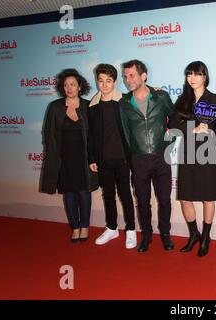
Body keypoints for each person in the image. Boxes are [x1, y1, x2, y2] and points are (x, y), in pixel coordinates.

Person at [119, 59, 177, 253]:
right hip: (139, 160)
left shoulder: (160, 97)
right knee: (143, 202)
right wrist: (133, 157)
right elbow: (126, 133)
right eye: (126, 76)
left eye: (132, 75)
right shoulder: (124, 103)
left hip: (161, 157)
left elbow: (175, 119)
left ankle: (166, 234)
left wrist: (169, 142)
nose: (128, 80)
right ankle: (146, 236)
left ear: (143, 76)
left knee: (165, 200)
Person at [40, 68, 98, 242]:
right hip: (63, 159)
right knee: (70, 194)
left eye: (73, 84)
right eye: (66, 85)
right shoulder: (55, 107)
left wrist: (93, 158)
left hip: (84, 159)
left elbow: (94, 136)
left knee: (84, 193)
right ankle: (75, 227)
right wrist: (52, 158)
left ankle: (85, 226)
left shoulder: (88, 106)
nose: (69, 88)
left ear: (80, 86)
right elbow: (48, 134)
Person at [171, 61, 216, 257]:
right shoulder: (182, 99)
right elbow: (174, 125)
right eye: (189, 74)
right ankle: (194, 234)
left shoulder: (215, 99)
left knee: (208, 197)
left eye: (197, 74)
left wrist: (209, 128)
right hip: (187, 151)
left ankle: (206, 237)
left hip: (206, 151)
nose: (192, 78)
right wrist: (191, 128)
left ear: (205, 76)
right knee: (185, 198)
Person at [88, 63, 137, 249]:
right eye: (101, 80)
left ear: (115, 82)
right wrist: (92, 158)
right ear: (97, 82)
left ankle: (131, 230)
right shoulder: (92, 106)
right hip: (103, 159)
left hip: (123, 158)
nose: (105, 84)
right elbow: (90, 135)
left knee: (125, 195)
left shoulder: (125, 101)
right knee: (108, 194)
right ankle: (112, 227)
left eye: (108, 80)